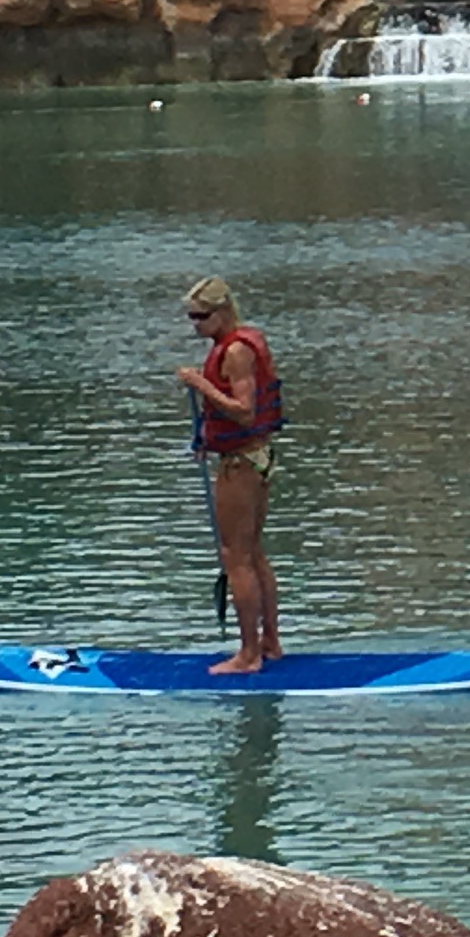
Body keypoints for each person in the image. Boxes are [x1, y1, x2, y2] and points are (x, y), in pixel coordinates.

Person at [174, 276, 284, 675]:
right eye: (191, 317)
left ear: (222, 312)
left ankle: (249, 655)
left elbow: (245, 411)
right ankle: (270, 642)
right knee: (252, 552)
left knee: (236, 557)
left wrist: (199, 383)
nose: (195, 325)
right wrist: (207, 435)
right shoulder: (239, 344)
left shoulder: (237, 351)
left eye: (201, 317)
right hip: (251, 455)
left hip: (243, 464)